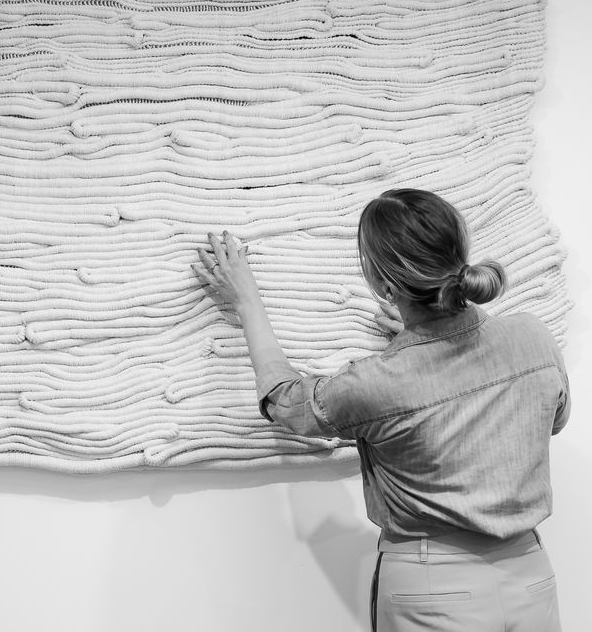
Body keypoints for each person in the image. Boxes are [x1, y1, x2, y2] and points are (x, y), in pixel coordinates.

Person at [193, 188, 569, 632]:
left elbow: (286, 400)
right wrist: (419, 349)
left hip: (432, 589)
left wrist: (246, 300)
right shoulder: (534, 337)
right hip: (531, 577)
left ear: (384, 285)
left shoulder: (378, 382)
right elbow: (552, 419)